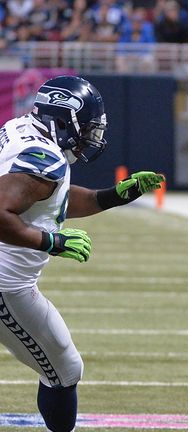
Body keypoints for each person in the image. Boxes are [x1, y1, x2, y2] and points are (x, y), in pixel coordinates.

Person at [0, 76, 164, 432]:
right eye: (88, 127)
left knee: (64, 368)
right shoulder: (43, 159)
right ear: (65, 120)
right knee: (64, 370)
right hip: (5, 286)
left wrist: (113, 196)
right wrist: (51, 243)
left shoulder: (21, 131)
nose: (92, 136)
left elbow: (49, 198)